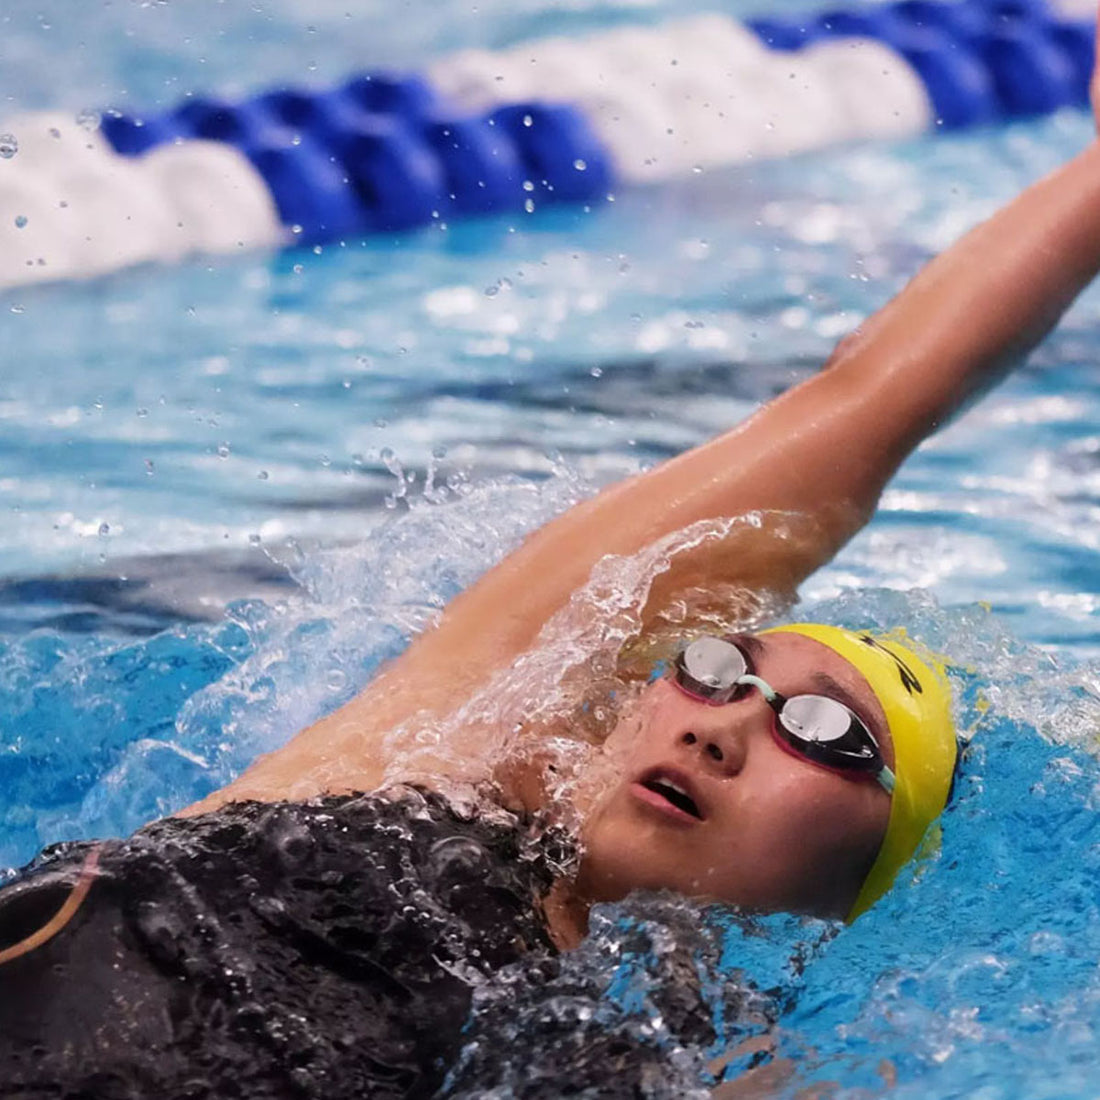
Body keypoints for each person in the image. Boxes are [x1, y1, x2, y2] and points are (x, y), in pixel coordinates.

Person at [5, 22, 1100, 1097]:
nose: (721, 721)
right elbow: (858, 407)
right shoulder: (435, 755)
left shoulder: (694, 1062)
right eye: (719, 663)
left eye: (826, 734)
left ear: (854, 883)